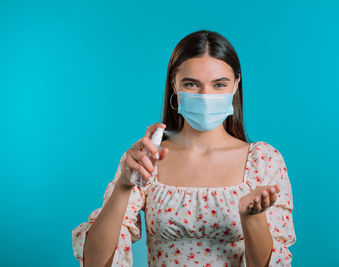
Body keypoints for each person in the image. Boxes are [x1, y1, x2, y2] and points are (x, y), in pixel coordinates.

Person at [72, 30, 296, 267]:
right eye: (192, 84)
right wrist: (123, 187)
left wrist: (253, 217)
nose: (205, 96)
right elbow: (95, 263)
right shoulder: (147, 159)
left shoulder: (264, 161)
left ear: (236, 85)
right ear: (174, 86)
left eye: (219, 84)